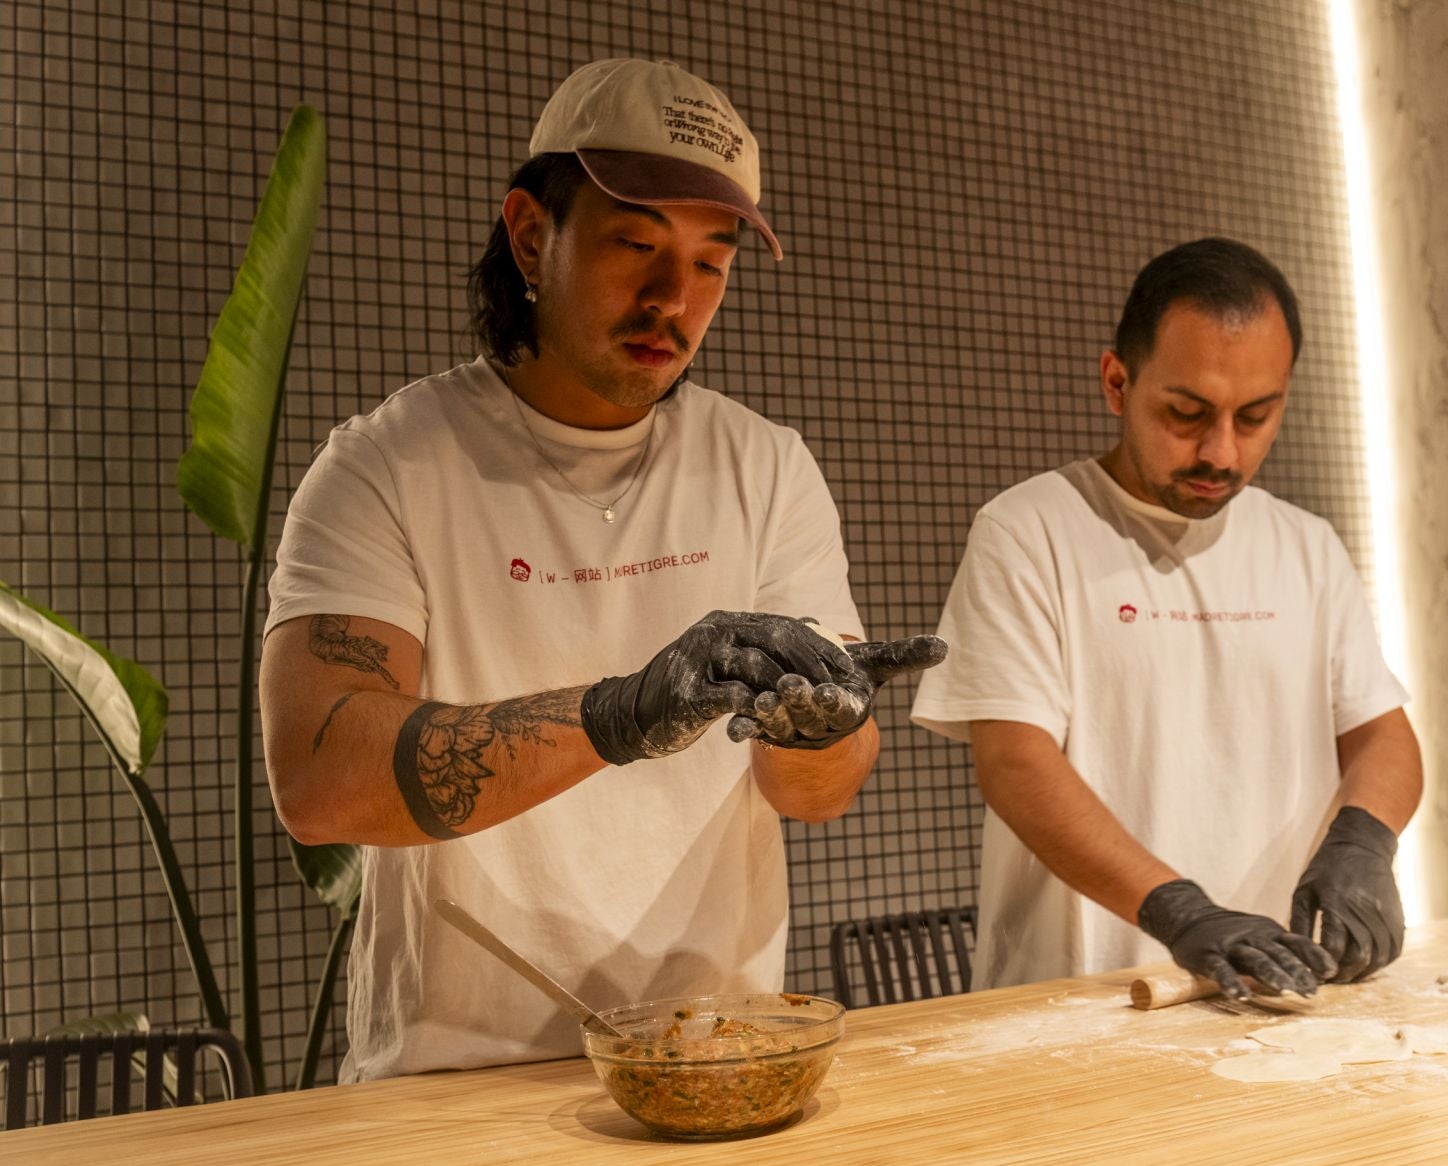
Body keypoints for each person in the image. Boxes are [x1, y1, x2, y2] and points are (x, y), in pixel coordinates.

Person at [260, 58, 942, 1082]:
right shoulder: (389, 463)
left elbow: (812, 794)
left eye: (712, 263)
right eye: (636, 244)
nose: (676, 296)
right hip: (449, 1078)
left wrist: (827, 727)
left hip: (711, 1061)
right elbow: (320, 780)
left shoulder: (764, 466)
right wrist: (621, 711)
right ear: (533, 236)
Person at [910, 238, 1421, 1000]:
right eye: (1186, 413)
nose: (1221, 450)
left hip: (1278, 996)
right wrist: (1180, 911)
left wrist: (1364, 839)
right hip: (1086, 999)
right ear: (1117, 382)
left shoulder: (1305, 547)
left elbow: (1383, 733)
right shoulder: (1030, 529)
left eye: (1255, 415)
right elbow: (1015, 762)